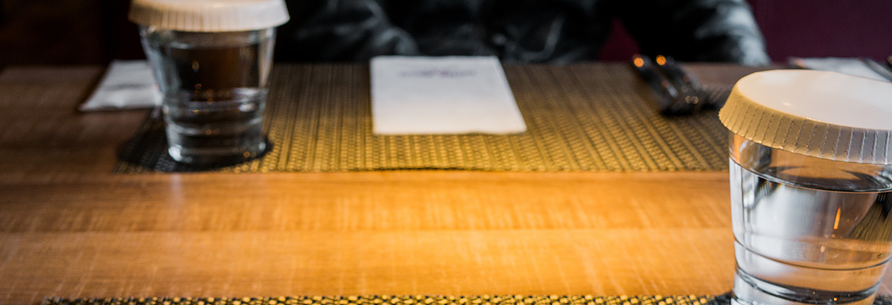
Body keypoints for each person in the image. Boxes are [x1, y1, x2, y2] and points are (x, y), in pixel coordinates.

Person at [276, 0, 770, 65]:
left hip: (568, 130)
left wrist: (757, 112)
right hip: (371, 116)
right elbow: (329, 20)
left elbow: (708, 16)